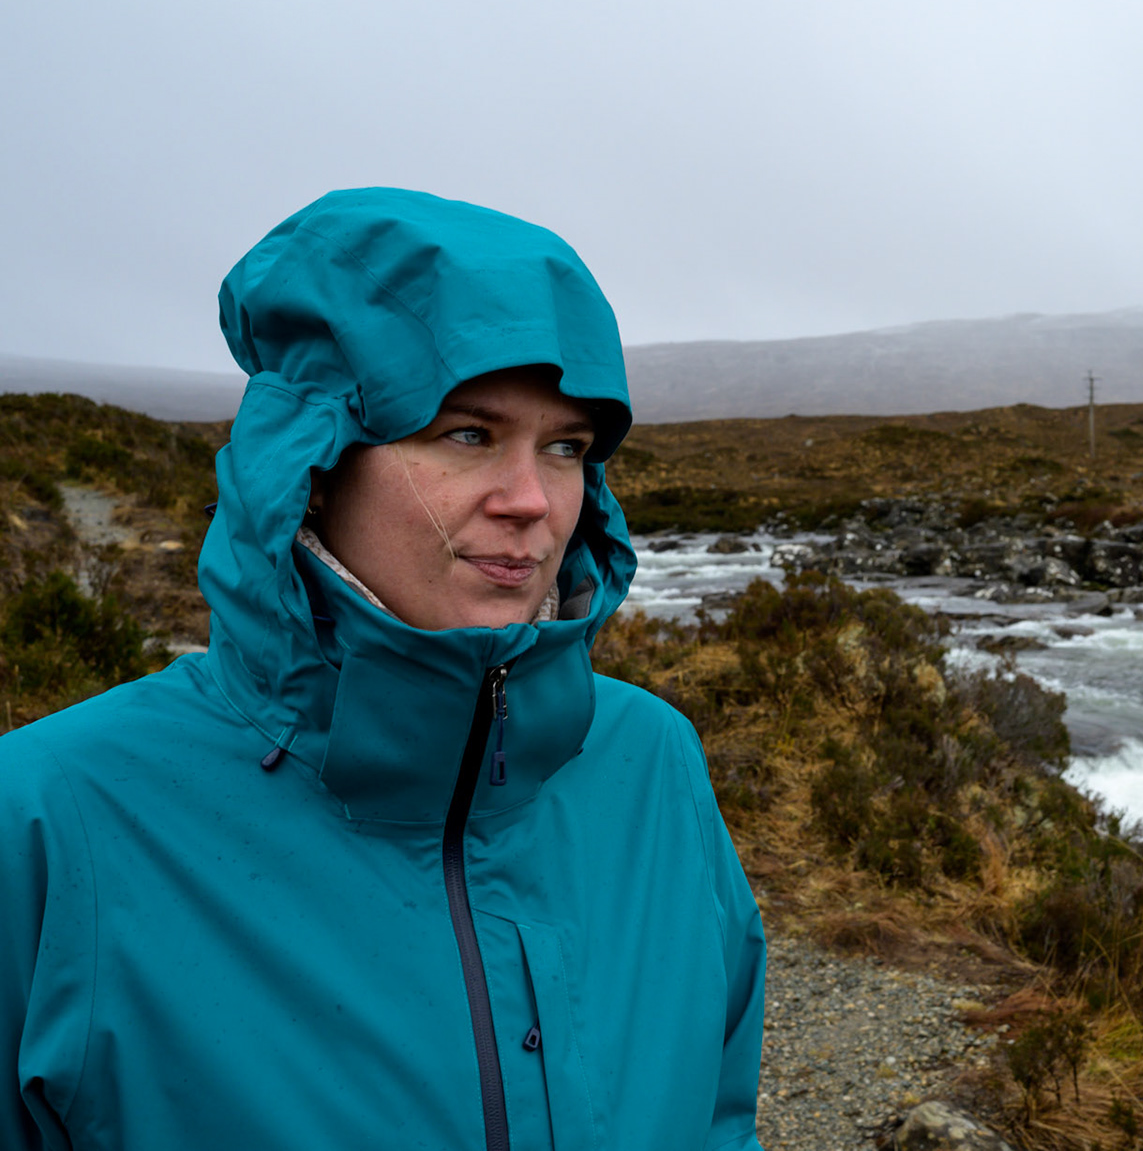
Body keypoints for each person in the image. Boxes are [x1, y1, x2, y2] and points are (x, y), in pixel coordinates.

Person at [0, 189, 765, 1150]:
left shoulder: (653, 763)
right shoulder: (46, 821)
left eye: (566, 447)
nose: (531, 500)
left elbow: (718, 1123)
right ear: (314, 461)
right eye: (467, 434)